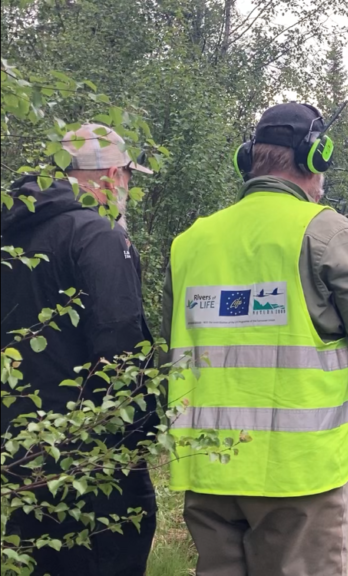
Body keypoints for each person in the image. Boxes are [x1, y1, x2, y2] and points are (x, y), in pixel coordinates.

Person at [161, 102, 348, 576]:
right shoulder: (325, 232)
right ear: (315, 159)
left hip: (208, 467)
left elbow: (172, 353)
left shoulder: (190, 241)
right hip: (298, 475)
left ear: (249, 158)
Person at [0, 123, 157, 575]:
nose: (127, 186)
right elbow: (121, 345)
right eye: (128, 175)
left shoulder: (14, 230)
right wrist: (135, 438)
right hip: (92, 455)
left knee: (37, 557)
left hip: (22, 443)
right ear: (111, 174)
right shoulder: (99, 235)